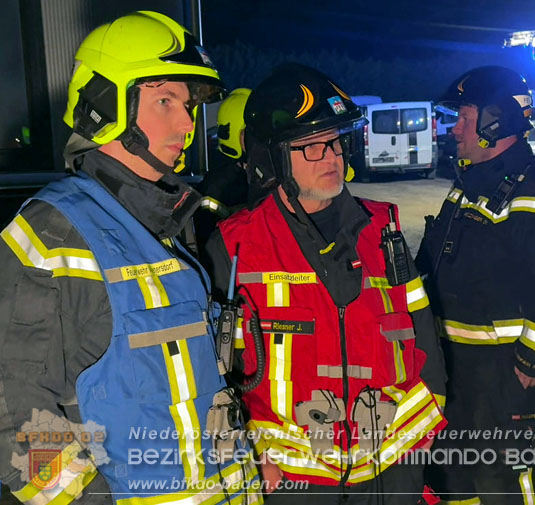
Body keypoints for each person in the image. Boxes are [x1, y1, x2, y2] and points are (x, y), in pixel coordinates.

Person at [0, 11, 262, 505]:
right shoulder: (54, 233)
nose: (187, 122)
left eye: (187, 105)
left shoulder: (164, 224)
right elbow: (14, 416)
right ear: (106, 105)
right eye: (166, 101)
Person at [202, 63, 447, 503]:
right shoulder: (234, 244)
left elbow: (420, 324)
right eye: (312, 147)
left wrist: (426, 425)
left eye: (335, 142)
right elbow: (215, 368)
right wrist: (244, 449)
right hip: (295, 479)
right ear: (272, 158)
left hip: (391, 469)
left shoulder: (382, 227)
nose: (332, 157)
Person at [415, 66, 535, 504]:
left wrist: (530, 364)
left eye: (465, 118)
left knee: (501, 484)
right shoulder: (468, 186)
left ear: (495, 121)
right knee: (453, 481)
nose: (455, 130)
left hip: (501, 375)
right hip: (453, 370)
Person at [195, 88, 251, 251]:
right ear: (232, 134)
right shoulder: (219, 188)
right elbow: (207, 244)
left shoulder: (278, 175)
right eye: (251, 131)